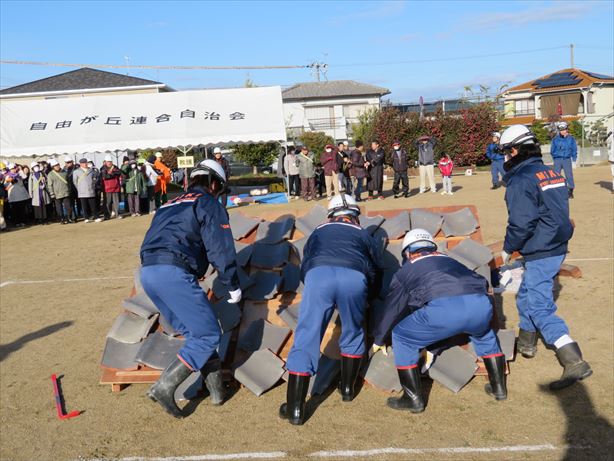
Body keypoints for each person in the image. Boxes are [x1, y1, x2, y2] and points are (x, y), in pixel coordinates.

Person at [140, 159, 240, 418]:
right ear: (215, 183)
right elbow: (221, 249)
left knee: (195, 332)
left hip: (149, 271)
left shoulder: (169, 203)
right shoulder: (207, 203)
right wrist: (232, 284)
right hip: (174, 271)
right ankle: (165, 386)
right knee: (208, 335)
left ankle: (217, 393)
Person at [371, 229, 506, 413]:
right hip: (480, 304)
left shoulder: (407, 269)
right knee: (485, 335)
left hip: (445, 310)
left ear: (408, 252)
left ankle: (413, 399)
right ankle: (498, 388)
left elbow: (392, 308)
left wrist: (379, 338)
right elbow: (481, 282)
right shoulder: (450, 260)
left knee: (402, 337)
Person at [499, 124, 591, 390]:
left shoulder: (520, 180)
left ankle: (573, 360)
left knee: (539, 305)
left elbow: (521, 222)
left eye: (506, 152)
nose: (505, 157)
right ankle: (527, 343)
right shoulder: (549, 172)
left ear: (515, 150)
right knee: (527, 294)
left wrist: (508, 248)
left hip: (542, 248)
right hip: (556, 243)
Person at [280, 194, 382, 425]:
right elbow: (375, 268)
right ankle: (347, 389)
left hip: (319, 276)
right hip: (355, 278)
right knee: (354, 330)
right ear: (355, 216)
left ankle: (295, 410)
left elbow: (306, 261)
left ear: (330, 214)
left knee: (307, 336)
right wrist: (369, 295)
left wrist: (313, 283)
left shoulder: (318, 230)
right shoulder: (363, 234)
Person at [550, 122, 578, 198]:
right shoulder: (555, 139)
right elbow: (552, 150)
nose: (563, 131)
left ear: (567, 130)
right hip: (558, 159)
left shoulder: (571, 139)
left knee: (569, 176)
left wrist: (574, 160)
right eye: (561, 130)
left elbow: (574, 149)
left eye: (564, 129)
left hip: (567, 159)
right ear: (559, 131)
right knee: (556, 176)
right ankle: (557, 191)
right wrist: (555, 158)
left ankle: (570, 191)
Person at [72, 158, 102, 223]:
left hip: (90, 189)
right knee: (84, 205)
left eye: (86, 162)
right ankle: (86, 218)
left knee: (93, 205)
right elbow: (75, 181)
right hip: (82, 191)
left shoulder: (91, 170)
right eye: (83, 163)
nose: (85, 164)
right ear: (80, 164)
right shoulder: (76, 171)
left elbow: (95, 178)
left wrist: (93, 184)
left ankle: (96, 217)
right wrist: (79, 188)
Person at [47, 159, 74, 224]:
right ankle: (61, 219)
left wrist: (69, 189)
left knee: (68, 207)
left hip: (65, 192)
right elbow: (49, 185)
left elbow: (68, 182)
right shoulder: (50, 174)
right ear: (53, 167)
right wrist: (52, 193)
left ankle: (69, 218)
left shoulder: (64, 172)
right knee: (59, 208)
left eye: (58, 165)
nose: (57, 166)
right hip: (56, 194)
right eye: (55, 165)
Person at [3, 163, 30, 227]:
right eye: (12, 169)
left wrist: (20, 170)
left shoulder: (19, 174)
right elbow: (5, 186)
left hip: (21, 195)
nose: (13, 170)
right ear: (9, 170)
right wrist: (11, 182)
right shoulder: (7, 176)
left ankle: (22, 221)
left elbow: (25, 177)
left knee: (22, 209)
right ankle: (16, 222)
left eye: (14, 168)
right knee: (15, 210)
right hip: (13, 196)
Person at [101, 155, 123, 219]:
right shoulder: (103, 168)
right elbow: (105, 176)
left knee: (116, 202)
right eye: (108, 161)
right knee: (108, 202)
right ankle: (107, 215)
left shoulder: (115, 167)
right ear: (105, 162)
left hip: (115, 187)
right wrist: (113, 174)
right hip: (107, 188)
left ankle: (117, 214)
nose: (109, 163)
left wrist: (111, 173)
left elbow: (119, 173)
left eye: (110, 161)